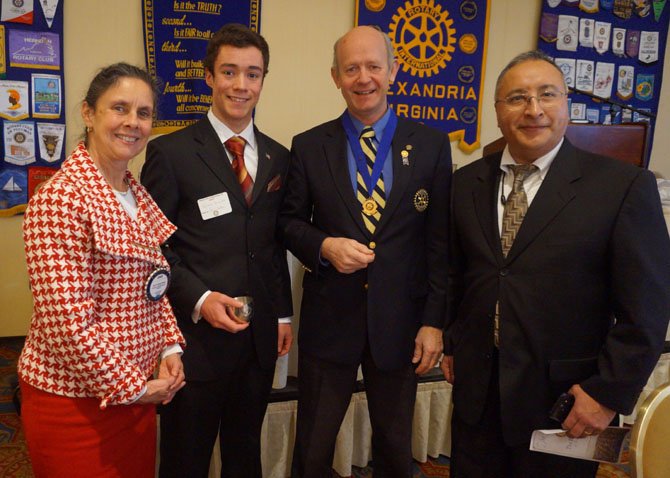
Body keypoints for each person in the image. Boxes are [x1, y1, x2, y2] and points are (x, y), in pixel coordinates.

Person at [442, 50, 670, 477]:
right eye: (516, 98)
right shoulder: (464, 184)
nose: (533, 110)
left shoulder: (622, 187)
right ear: (497, 111)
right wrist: (454, 341)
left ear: (566, 105)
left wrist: (606, 394)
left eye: (547, 95)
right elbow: (461, 274)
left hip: (567, 403)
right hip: (478, 398)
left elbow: (648, 310)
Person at [279, 25, 452, 477]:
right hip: (330, 319)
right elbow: (288, 223)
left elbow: (440, 243)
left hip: (401, 323)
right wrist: (324, 245)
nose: (364, 78)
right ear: (335, 77)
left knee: (396, 448)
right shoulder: (310, 145)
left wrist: (434, 322)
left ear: (393, 71)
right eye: (351, 68)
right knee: (313, 446)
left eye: (374, 66)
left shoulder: (432, 146)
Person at [18, 63, 186, 477]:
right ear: (88, 114)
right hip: (74, 406)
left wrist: (169, 348)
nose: (133, 122)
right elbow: (67, 326)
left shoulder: (133, 190)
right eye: (120, 108)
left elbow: (151, 284)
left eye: (144, 113)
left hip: (134, 400)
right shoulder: (60, 199)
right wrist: (135, 388)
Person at [141, 23, 293, 477]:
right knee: (185, 459)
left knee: (245, 457)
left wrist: (283, 314)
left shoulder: (277, 157)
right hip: (195, 345)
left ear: (263, 79)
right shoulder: (170, 153)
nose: (241, 85)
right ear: (209, 77)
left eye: (252, 74)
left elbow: (272, 244)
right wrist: (201, 300)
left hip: (258, 340)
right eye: (229, 72)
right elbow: (154, 248)